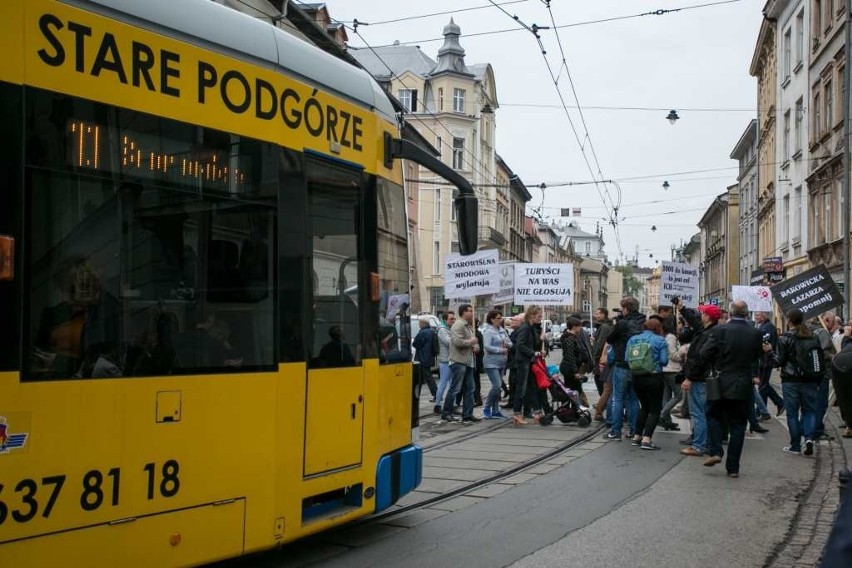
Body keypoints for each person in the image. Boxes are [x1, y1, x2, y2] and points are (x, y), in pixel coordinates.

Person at [696, 301, 764, 478]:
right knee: (739, 425)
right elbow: (756, 358)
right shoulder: (756, 333)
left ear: (731, 312)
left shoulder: (720, 330)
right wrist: (754, 374)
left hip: (720, 380)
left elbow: (704, 353)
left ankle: (716, 451)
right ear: (746, 313)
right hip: (743, 382)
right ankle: (733, 467)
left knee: (712, 415)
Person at [770, 309, 822, 456]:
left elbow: (778, 361)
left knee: (792, 414)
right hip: (810, 379)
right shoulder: (813, 336)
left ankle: (795, 446)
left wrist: (769, 352)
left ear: (789, 320)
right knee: (809, 410)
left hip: (791, 380)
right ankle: (809, 438)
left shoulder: (785, 338)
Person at [680, 303, 723, 457]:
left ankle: (699, 445)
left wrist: (689, 378)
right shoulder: (709, 330)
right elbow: (695, 322)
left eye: (703, 313)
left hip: (699, 378)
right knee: (704, 412)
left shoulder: (706, 334)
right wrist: (682, 308)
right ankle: (706, 443)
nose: (701, 316)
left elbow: (700, 358)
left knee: (698, 413)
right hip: (705, 377)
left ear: (708, 317)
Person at [602, 296, 645, 441]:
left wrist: (617, 324)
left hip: (622, 364)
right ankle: (634, 431)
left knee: (618, 398)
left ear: (626, 309)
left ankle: (615, 431)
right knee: (634, 399)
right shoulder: (643, 322)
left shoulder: (623, 323)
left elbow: (610, 339)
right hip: (639, 365)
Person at [625, 318, 669, 450]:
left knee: (644, 407)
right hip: (654, 377)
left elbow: (627, 359)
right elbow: (664, 361)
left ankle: (637, 436)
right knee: (655, 409)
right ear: (658, 328)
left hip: (637, 377)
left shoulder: (632, 339)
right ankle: (647, 439)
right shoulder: (660, 340)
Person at [440, 304, 482, 424]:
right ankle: (447, 412)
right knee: (455, 388)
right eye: (470, 311)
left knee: (470, 389)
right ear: (464, 312)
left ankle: (467, 414)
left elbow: (472, 342)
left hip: (468, 362)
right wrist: (471, 342)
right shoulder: (458, 325)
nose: (472, 312)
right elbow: (457, 342)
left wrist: (475, 346)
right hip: (458, 361)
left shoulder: (468, 326)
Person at [512, 305, 546, 425]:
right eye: (539, 316)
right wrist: (533, 352)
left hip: (530, 361)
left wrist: (541, 342)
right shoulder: (525, 328)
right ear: (531, 315)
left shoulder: (531, 328)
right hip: (523, 362)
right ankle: (517, 414)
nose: (540, 318)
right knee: (521, 388)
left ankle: (537, 412)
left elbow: (532, 343)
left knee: (533, 387)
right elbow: (520, 345)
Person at [483, 310, 511, 419]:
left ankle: (495, 410)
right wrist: (500, 350)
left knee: (497, 388)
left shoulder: (502, 330)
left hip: (501, 362)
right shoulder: (489, 331)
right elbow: (487, 346)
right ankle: (487, 407)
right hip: (491, 362)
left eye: (501, 318)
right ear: (492, 319)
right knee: (497, 385)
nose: (501, 320)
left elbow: (510, 343)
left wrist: (507, 344)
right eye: (498, 318)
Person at [433, 311, 456, 415]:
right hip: (445, 360)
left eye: (454, 319)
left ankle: (451, 404)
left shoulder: (449, 329)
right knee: (443, 383)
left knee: (452, 384)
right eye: (451, 319)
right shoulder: (442, 330)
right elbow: (449, 342)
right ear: (445, 320)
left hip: (452, 359)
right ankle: (437, 405)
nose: (453, 321)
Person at [411, 319, 438, 401]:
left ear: (423, 324)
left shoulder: (422, 332)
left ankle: (436, 394)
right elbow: (435, 347)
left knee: (426, 378)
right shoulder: (432, 332)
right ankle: (435, 395)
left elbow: (415, 343)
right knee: (424, 378)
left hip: (422, 358)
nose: (419, 324)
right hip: (429, 358)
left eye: (419, 323)